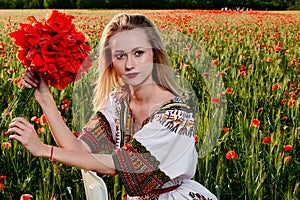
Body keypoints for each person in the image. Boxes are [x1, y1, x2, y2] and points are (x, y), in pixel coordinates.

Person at [7, 13, 218, 200]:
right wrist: (45, 99)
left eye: (138, 53)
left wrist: (43, 150)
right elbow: (79, 149)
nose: (129, 65)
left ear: (154, 53)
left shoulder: (175, 116)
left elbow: (118, 165)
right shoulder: (119, 102)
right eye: (120, 56)